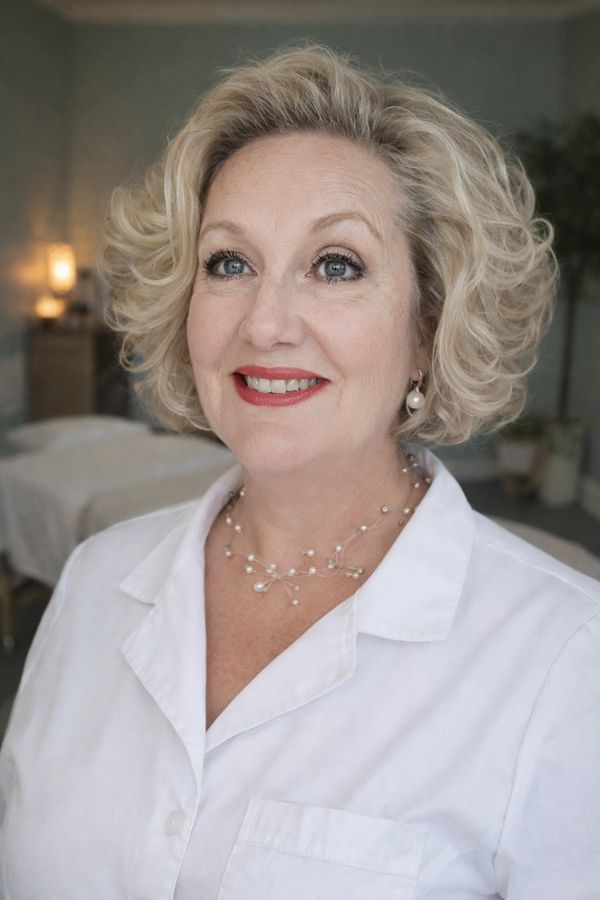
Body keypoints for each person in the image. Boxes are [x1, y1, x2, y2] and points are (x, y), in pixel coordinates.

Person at [1, 43, 599, 900]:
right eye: (229, 263)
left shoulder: (568, 661)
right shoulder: (95, 582)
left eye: (335, 265)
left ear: (429, 328)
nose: (265, 322)